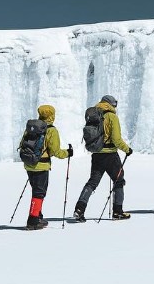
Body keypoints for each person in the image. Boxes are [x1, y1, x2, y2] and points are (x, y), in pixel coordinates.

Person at [73, 94, 133, 222]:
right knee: (119, 180)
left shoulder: (94, 114)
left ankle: (79, 209)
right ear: (111, 104)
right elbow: (116, 139)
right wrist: (127, 149)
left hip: (97, 154)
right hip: (110, 154)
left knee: (92, 182)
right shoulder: (112, 116)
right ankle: (118, 211)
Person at [21, 105, 73, 230]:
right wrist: (68, 153)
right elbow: (55, 151)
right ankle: (33, 221)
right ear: (52, 115)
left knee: (36, 191)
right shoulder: (51, 130)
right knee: (39, 193)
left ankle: (38, 216)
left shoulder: (31, 127)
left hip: (29, 165)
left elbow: (22, 144)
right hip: (42, 165)